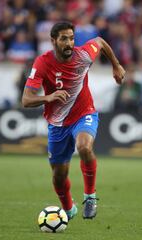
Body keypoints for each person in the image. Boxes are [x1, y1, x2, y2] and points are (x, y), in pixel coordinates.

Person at [21, 22, 125, 220]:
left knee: (84, 147)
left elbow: (100, 42)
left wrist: (116, 65)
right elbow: (26, 100)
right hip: (57, 124)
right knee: (59, 176)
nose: (69, 43)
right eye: (63, 39)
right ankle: (69, 209)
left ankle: (90, 197)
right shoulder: (42, 63)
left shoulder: (83, 55)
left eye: (71, 38)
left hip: (84, 114)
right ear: (53, 41)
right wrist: (47, 98)